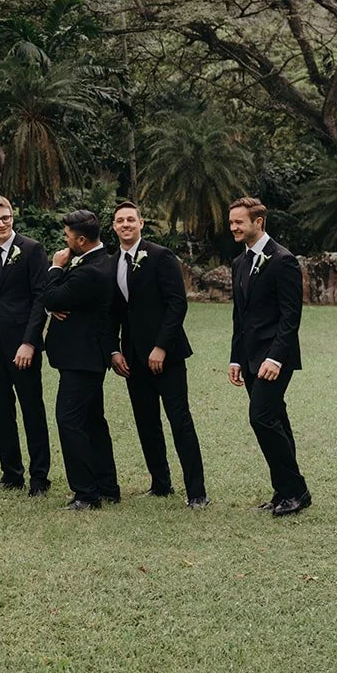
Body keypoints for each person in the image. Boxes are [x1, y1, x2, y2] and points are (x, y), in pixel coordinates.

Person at [109, 200, 208, 508]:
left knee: (180, 421)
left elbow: (177, 303)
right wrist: (114, 349)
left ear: (140, 224)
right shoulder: (112, 262)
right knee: (146, 421)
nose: (125, 224)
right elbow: (111, 311)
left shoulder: (161, 256)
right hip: (133, 358)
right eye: (119, 221)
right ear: (114, 227)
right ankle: (161, 483)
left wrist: (161, 347)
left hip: (168, 355)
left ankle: (197, 492)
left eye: (130, 220)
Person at [228, 195, 310, 516]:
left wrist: (275, 358)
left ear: (258, 222)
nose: (233, 227)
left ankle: (297, 490)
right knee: (275, 418)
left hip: (276, 359)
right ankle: (284, 491)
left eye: (239, 222)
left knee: (261, 417)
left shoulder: (282, 260)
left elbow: (291, 316)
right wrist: (235, 358)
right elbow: (240, 317)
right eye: (231, 221)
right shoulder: (239, 262)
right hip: (248, 359)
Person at [0, 194, 51, 494]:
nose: (2, 223)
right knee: (1, 410)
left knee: (32, 410)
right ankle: (11, 473)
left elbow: (40, 298)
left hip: (22, 346)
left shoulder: (31, 249)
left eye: (6, 217)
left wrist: (30, 342)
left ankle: (39, 477)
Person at [44, 209, 120, 510]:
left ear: (82, 239)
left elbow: (50, 297)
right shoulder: (103, 261)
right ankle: (107, 487)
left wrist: (55, 268)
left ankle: (86, 494)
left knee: (69, 420)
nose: (65, 241)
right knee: (92, 422)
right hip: (88, 356)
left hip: (81, 358)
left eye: (68, 237)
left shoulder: (90, 270)